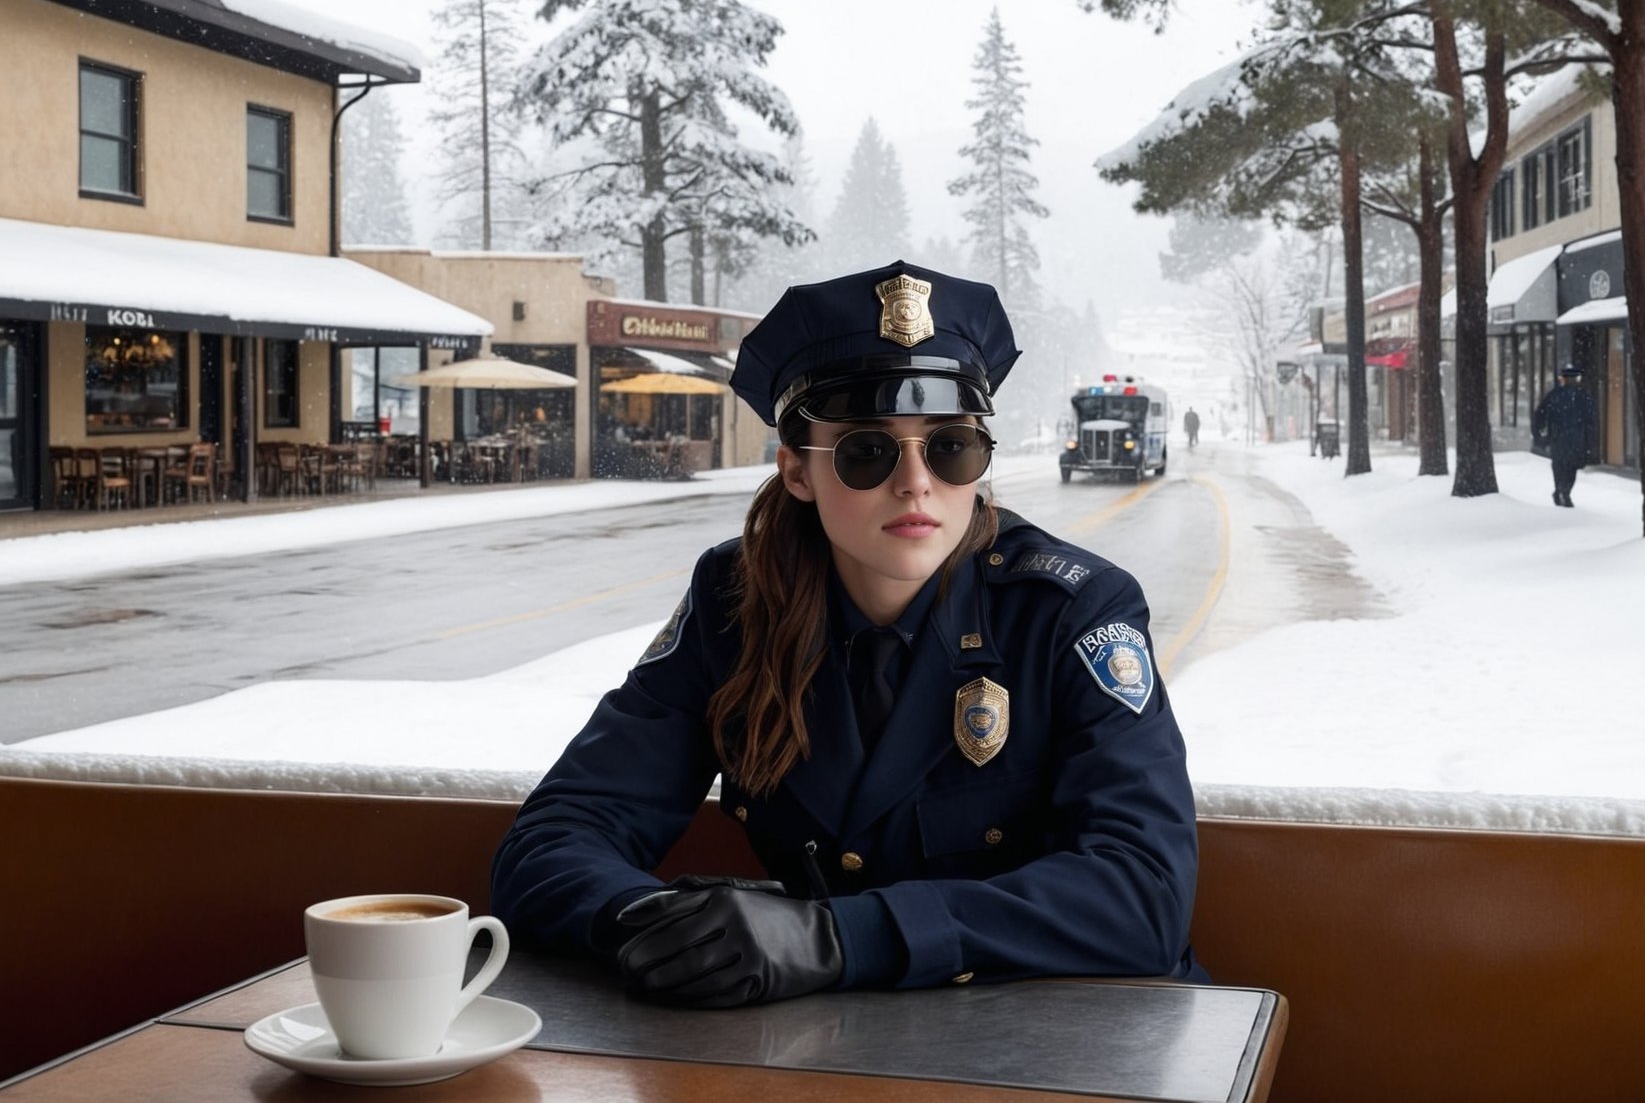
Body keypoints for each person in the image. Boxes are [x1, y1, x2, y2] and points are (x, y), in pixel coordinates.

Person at [492, 260, 1203, 1008]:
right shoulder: (737, 604)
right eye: (867, 451)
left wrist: (835, 939)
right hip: (833, 1046)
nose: (916, 481)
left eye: (951, 446)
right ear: (797, 471)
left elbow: (1143, 894)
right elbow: (558, 835)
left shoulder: (1069, 610)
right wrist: (653, 924)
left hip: (1078, 1037)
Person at [1532, 364, 1596, 507]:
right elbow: (1591, 421)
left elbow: (1540, 415)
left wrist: (1539, 434)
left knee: (1560, 465)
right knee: (1570, 466)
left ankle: (1561, 490)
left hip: (1560, 437)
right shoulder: (1583, 396)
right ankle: (1564, 491)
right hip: (1574, 437)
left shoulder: (1556, 394)